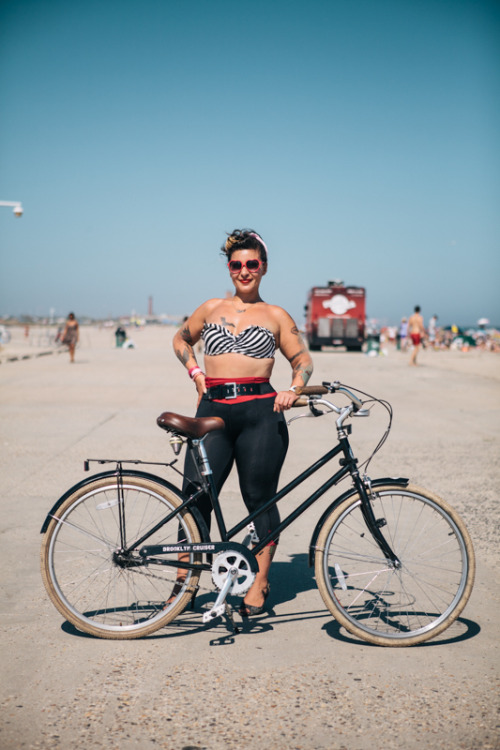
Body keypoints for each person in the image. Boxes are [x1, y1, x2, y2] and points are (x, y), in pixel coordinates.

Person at [172, 229, 313, 617]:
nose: (244, 271)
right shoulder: (210, 308)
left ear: (263, 267)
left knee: (259, 498)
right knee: (195, 497)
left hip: (260, 414)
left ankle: (260, 582)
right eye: (237, 264)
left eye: (252, 264)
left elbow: (302, 361)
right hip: (213, 409)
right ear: (230, 268)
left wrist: (294, 388)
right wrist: (196, 373)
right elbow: (180, 341)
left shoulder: (276, 315)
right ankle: (185, 583)